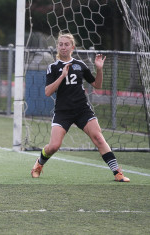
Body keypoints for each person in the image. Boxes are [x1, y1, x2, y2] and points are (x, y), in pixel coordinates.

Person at [31, 33, 130, 182]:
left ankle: (117, 172)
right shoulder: (53, 67)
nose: (63, 47)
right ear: (58, 46)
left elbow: (97, 85)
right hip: (63, 112)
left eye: (66, 44)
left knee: (98, 138)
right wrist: (62, 76)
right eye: (61, 44)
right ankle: (38, 164)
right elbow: (47, 92)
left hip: (82, 109)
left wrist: (100, 69)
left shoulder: (80, 65)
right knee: (54, 146)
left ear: (72, 47)